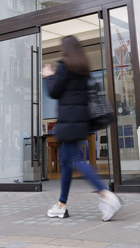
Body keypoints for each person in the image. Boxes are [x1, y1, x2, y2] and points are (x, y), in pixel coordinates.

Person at [42, 36, 121, 221]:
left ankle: (107, 195)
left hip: (69, 122)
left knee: (75, 160)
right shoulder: (83, 69)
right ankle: (61, 205)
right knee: (66, 162)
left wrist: (48, 76)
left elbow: (54, 92)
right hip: (80, 121)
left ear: (65, 49)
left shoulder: (64, 66)